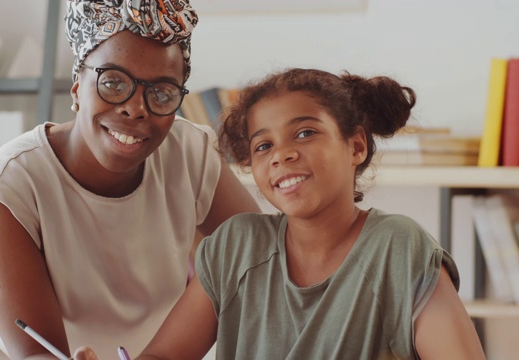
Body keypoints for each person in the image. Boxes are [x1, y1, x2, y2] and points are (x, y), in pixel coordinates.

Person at [86, 68, 484, 359]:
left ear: (356, 146)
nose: (282, 155)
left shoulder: (398, 248)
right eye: (263, 147)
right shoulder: (234, 247)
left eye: (306, 133)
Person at [0, 1, 260, 359]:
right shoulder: (6, 187)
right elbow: (35, 352)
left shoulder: (190, 152)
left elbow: (260, 255)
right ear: (76, 87)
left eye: (161, 92)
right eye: (113, 82)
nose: (136, 108)